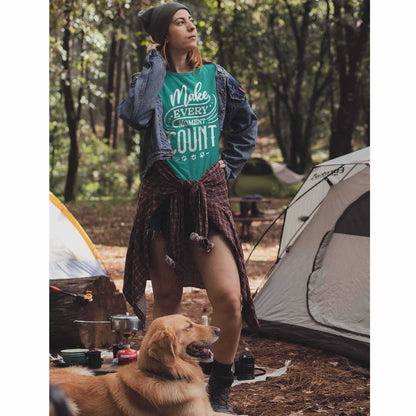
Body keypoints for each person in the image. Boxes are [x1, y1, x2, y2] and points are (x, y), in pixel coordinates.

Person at [117, 2, 259, 413]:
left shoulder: (215, 76)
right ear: (164, 35)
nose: (191, 26)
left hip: (207, 195)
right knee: (166, 296)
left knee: (229, 300)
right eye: (180, 22)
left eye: (191, 20)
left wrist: (228, 165)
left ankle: (220, 384)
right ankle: (169, 388)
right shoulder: (149, 82)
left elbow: (245, 122)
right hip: (163, 197)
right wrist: (156, 65)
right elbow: (136, 114)